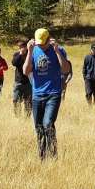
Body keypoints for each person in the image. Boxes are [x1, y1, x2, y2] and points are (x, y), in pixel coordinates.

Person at [23, 28, 71, 159]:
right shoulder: (33, 51)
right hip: (37, 95)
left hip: (53, 93)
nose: (41, 46)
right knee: (38, 126)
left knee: (48, 123)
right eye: (39, 44)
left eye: (43, 43)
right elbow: (25, 71)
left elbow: (66, 69)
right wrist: (29, 52)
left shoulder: (58, 50)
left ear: (49, 40)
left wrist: (56, 52)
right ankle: (42, 155)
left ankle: (53, 153)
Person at [9, 39, 32, 116]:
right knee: (16, 100)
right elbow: (14, 63)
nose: (20, 48)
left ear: (26, 47)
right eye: (19, 47)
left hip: (28, 82)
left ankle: (27, 116)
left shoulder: (30, 54)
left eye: (22, 47)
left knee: (28, 101)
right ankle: (17, 116)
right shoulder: (16, 54)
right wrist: (20, 54)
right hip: (18, 82)